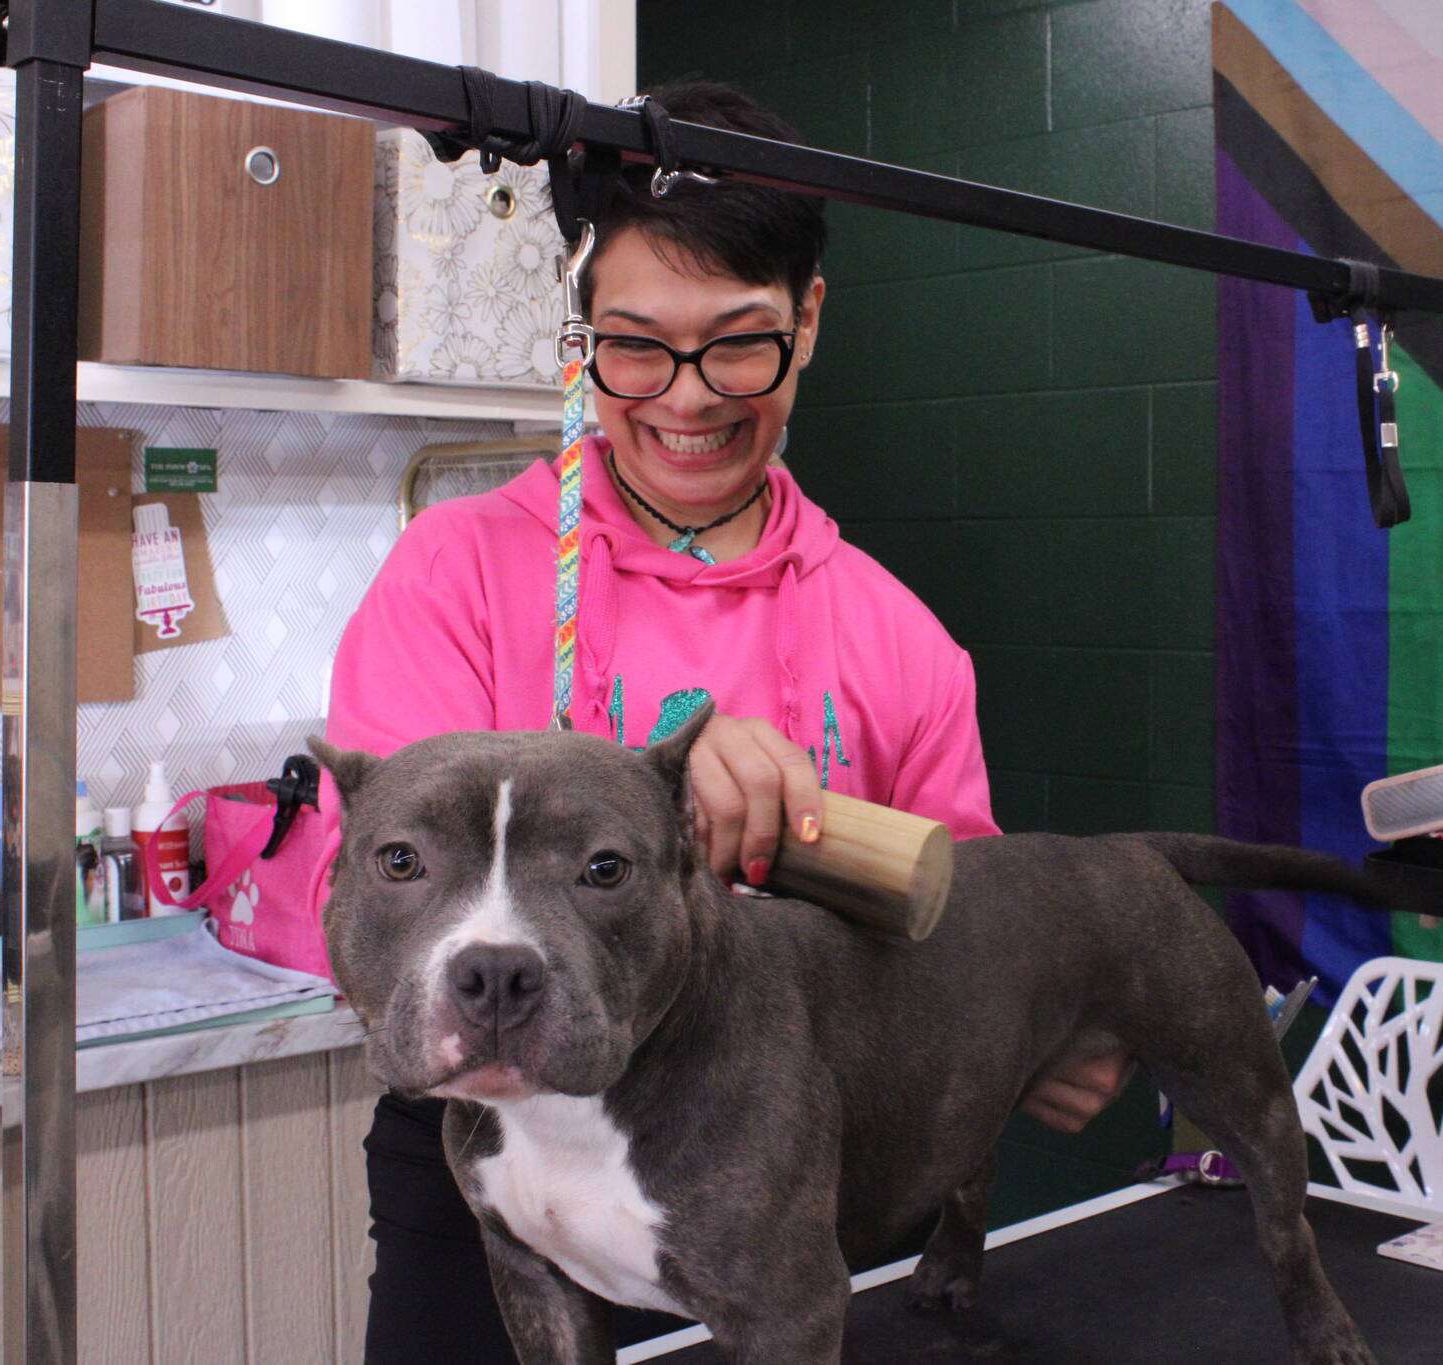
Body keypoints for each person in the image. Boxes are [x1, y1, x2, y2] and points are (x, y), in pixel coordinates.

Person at [325, 80, 1128, 1363]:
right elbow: (369, 884)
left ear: (807, 323)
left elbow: (962, 934)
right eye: (634, 343)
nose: (684, 398)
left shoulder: (895, 638)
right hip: (489, 1171)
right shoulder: (456, 573)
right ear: (581, 333)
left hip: (765, 1190)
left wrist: (1037, 1032)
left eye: (736, 343)